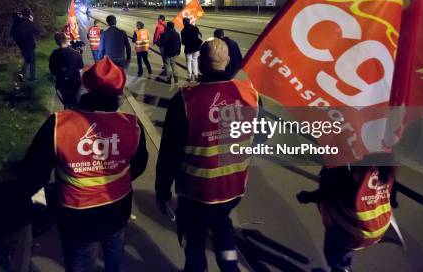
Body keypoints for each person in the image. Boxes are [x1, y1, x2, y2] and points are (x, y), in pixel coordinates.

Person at [20, 56, 148, 272]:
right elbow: (139, 164)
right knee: (114, 251)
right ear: (119, 93)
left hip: (77, 216)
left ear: (86, 86)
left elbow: (33, 170)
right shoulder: (132, 125)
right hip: (117, 209)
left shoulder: (59, 123)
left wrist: (40, 200)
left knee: (81, 261)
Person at [155, 38, 258, 272]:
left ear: (199, 63)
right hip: (232, 187)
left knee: (195, 238)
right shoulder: (250, 94)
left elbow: (169, 153)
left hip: (196, 191)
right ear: (229, 61)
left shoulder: (185, 99)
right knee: (223, 228)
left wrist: (162, 190)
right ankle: (230, 265)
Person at [296, 162, 395, 272]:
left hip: (348, 229)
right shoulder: (381, 163)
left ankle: (340, 269)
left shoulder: (347, 166)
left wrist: (307, 197)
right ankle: (343, 266)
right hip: (375, 225)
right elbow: (392, 195)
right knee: (344, 253)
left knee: (333, 254)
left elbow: (329, 191)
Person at [49, 32, 84, 109]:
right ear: (67, 39)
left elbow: (52, 70)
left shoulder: (54, 54)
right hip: (75, 82)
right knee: (76, 103)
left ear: (57, 42)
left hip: (61, 82)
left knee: (66, 102)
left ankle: (67, 113)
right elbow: (81, 68)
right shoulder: (76, 53)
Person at [10, 7, 38, 81]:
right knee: (32, 61)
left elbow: (12, 33)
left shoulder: (17, 21)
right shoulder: (28, 22)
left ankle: (22, 74)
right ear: (29, 15)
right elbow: (36, 32)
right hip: (29, 45)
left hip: (21, 45)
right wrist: (32, 22)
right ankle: (32, 77)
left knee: (27, 59)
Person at [180, 17, 203, 82]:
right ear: (189, 22)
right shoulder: (195, 28)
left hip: (188, 49)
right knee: (195, 61)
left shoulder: (183, 31)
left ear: (184, 22)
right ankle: (196, 74)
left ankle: (190, 76)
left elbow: (183, 42)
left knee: (188, 62)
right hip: (196, 48)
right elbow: (200, 36)